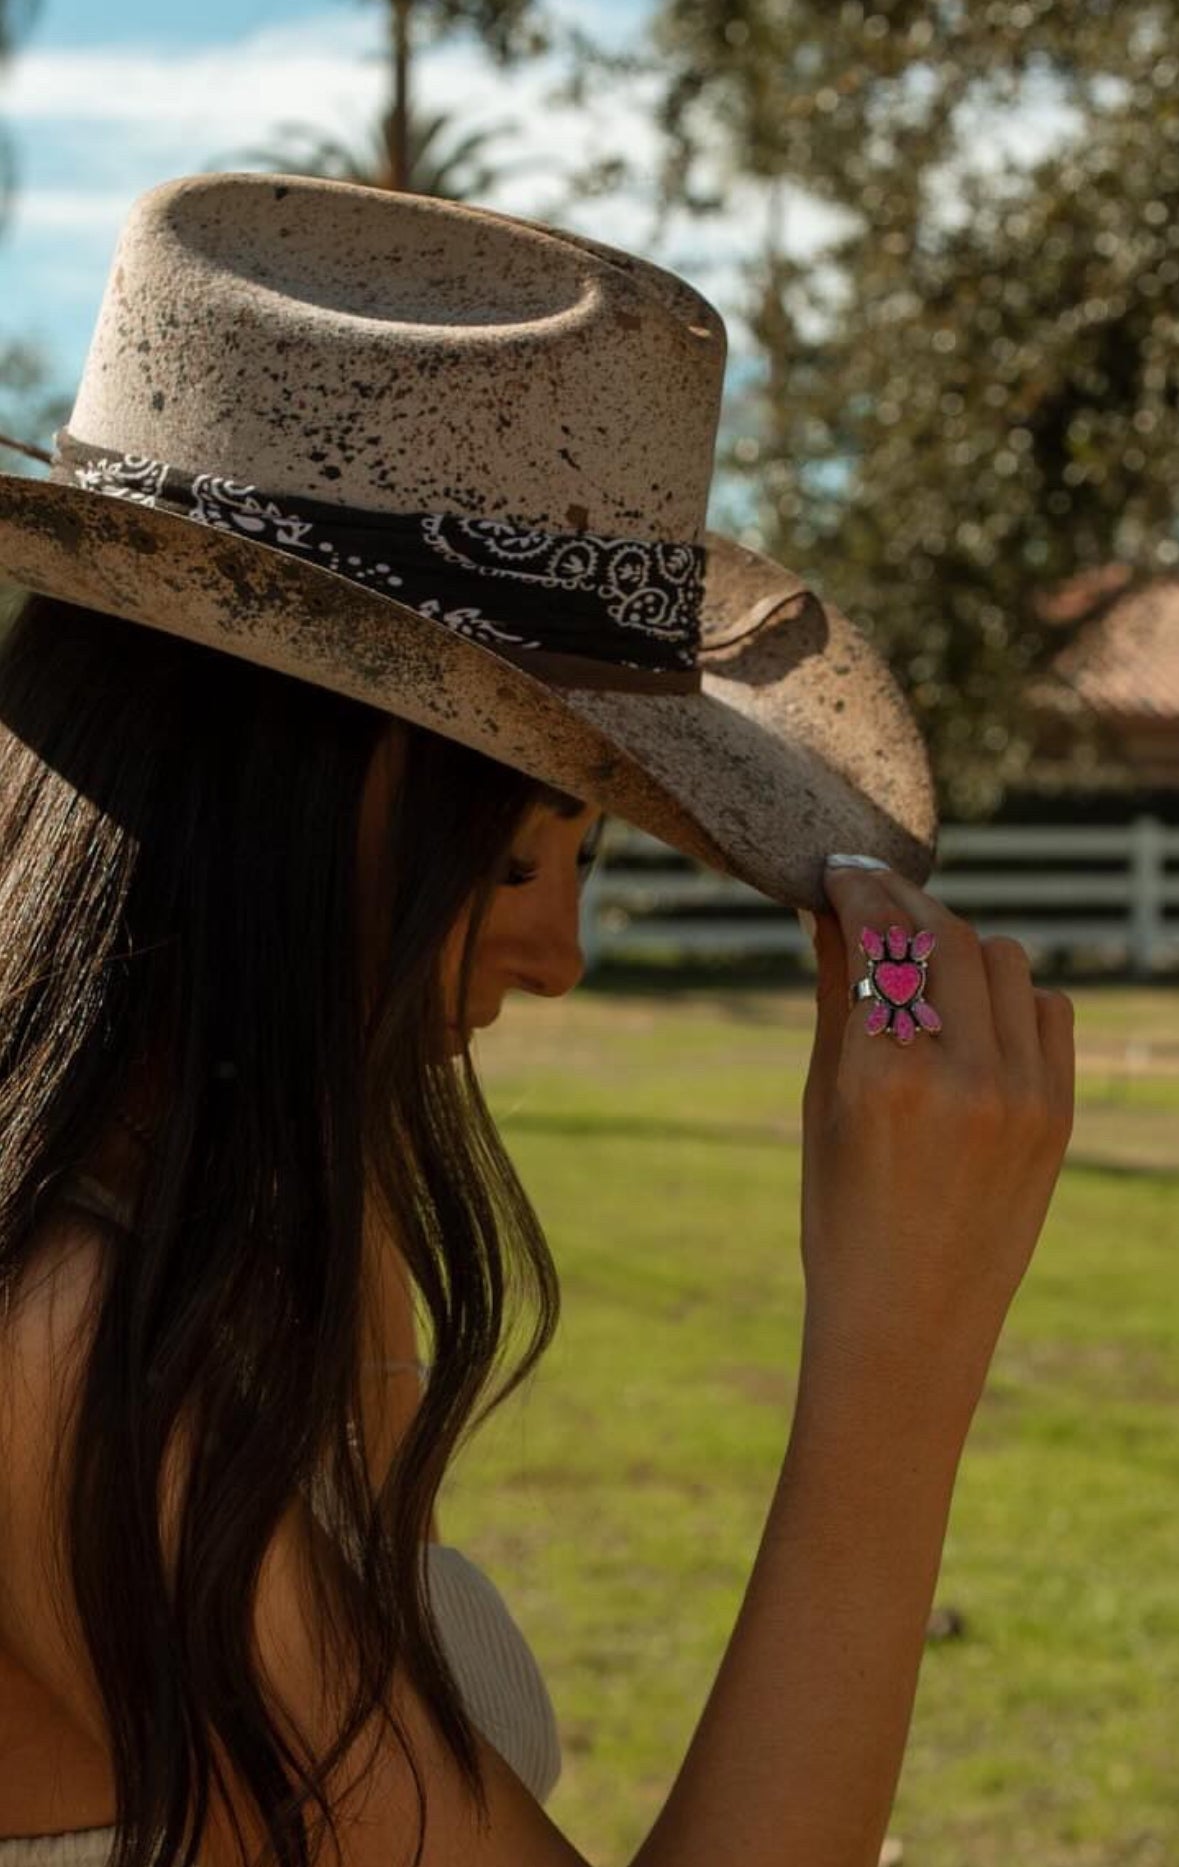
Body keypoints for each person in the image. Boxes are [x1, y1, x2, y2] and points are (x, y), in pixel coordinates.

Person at [0, 173, 1074, 1867]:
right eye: (508, 859)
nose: (562, 956)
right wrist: (904, 1346)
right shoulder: (79, 1363)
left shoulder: (243, 1228)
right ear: (266, 814)